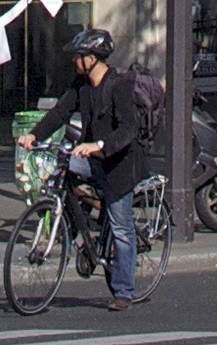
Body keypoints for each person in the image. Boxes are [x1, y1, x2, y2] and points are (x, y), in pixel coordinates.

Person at [64, 27, 166, 310]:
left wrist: (98, 145)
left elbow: (128, 130)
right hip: (95, 160)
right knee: (60, 171)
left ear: (94, 58)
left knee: (122, 228)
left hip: (120, 164)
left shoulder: (119, 86)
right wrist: (33, 135)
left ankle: (124, 291)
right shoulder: (81, 86)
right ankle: (83, 222)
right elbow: (59, 112)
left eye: (80, 56)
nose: (75, 61)